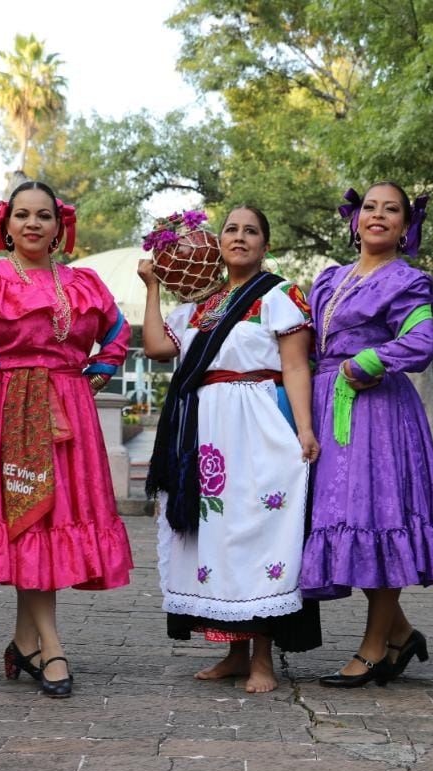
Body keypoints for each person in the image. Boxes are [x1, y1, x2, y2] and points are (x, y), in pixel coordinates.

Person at [0, 180, 133, 699]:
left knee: (49, 521)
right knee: (29, 519)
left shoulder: (83, 283)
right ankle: (51, 644)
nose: (33, 224)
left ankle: (25, 641)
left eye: (44, 215)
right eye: (22, 215)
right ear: (7, 223)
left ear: (59, 226)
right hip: (12, 412)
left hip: (69, 412)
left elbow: (117, 334)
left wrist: (95, 376)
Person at [142, 206, 322, 694]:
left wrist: (304, 429)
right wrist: (153, 285)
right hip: (204, 430)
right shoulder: (202, 303)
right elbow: (158, 346)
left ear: (266, 244)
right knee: (216, 537)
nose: (240, 237)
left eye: (251, 231)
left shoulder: (281, 295)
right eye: (231, 229)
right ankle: (233, 652)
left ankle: (264, 657)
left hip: (259, 424)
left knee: (258, 533)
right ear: (218, 241)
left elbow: (296, 367)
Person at [302, 182, 433, 688]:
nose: (378, 216)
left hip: (379, 415)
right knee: (342, 520)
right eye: (370, 207)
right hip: (327, 408)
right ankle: (401, 634)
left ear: (405, 224)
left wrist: (369, 361)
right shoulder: (328, 279)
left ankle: (374, 648)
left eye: (391, 210)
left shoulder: (408, 281)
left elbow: (420, 342)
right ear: (355, 220)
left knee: (375, 521)